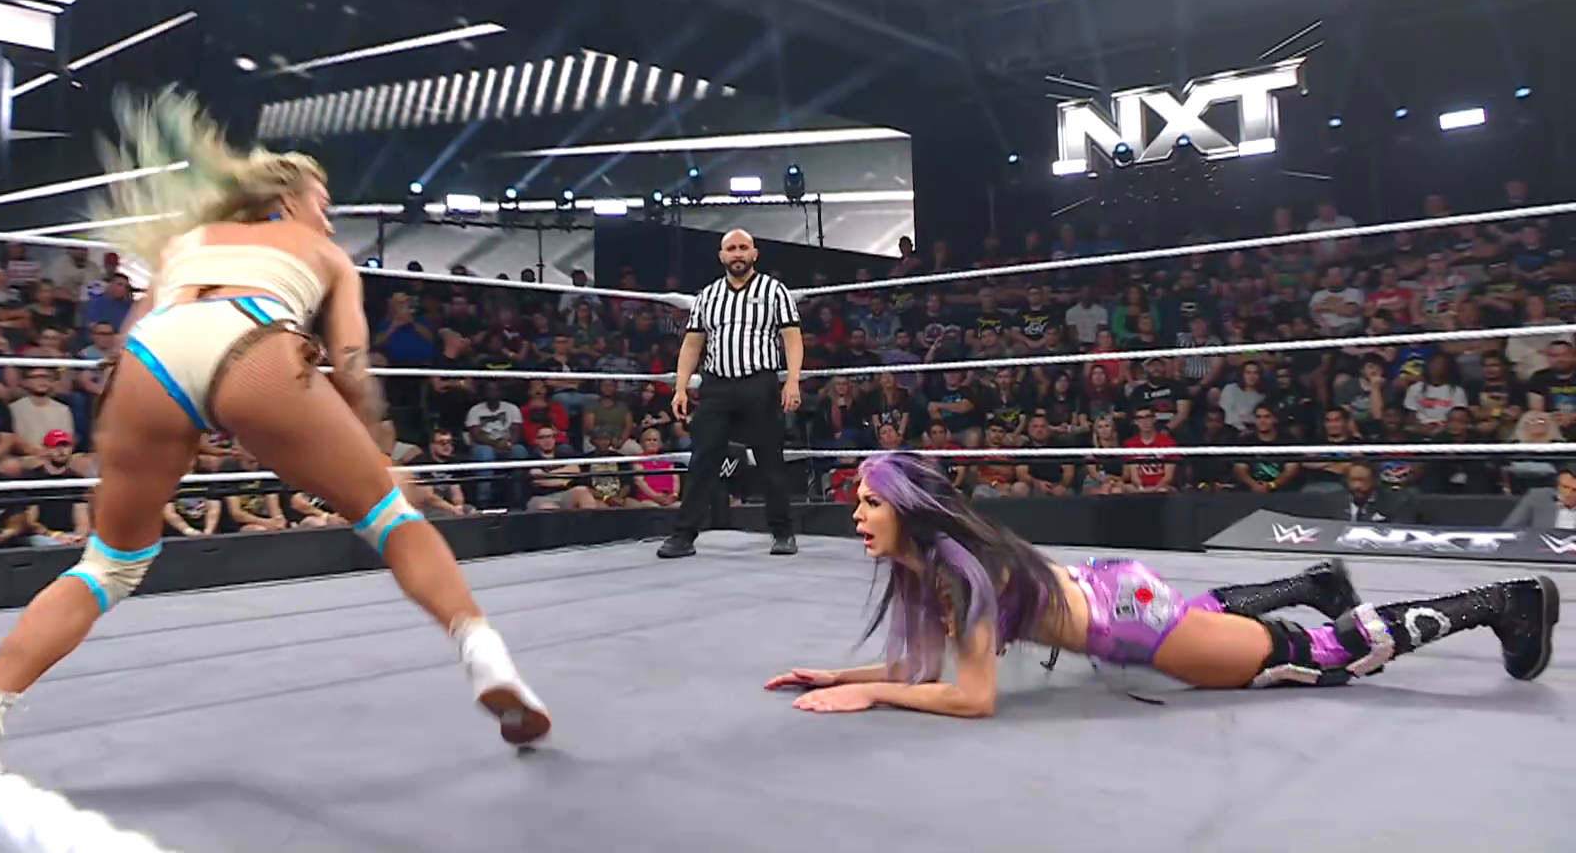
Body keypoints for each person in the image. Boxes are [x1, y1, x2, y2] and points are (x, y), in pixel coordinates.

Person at [0, 89, 548, 759]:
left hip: (151, 357)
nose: (329, 215)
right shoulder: (326, 255)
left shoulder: (186, 243)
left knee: (107, 564)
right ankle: (486, 657)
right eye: (322, 201)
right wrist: (373, 448)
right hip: (253, 336)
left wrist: (130, 435)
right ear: (285, 200)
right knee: (393, 519)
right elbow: (350, 360)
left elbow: (132, 338)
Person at [764, 454, 1556, 716]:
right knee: (1204, 622)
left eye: (869, 503)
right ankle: (1313, 578)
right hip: (1114, 595)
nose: (856, 515)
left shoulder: (960, 574)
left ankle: (1503, 603)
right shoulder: (937, 567)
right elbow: (921, 663)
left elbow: (972, 697)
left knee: (1304, 656)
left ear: (909, 511)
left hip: (1129, 624)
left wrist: (874, 693)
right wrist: (838, 675)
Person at [659, 229, 802, 558]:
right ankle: (683, 536)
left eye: (743, 248)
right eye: (731, 248)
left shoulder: (774, 291)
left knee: (770, 460)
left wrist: (792, 380)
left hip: (759, 383)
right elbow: (692, 344)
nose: (737, 253)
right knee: (703, 459)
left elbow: (792, 339)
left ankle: (783, 533)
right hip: (717, 386)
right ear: (722, 256)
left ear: (754, 253)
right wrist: (680, 387)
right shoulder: (708, 296)